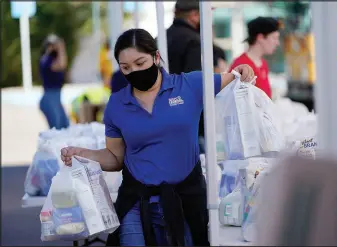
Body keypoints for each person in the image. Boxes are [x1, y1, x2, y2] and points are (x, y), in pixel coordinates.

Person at [60, 28, 254, 246]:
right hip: (137, 200)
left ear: (156, 57)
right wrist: (82, 154)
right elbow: (115, 158)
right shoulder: (117, 104)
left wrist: (243, 70)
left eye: (140, 63)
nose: (134, 71)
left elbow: (236, 77)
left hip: (185, 199)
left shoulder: (190, 85)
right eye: (126, 68)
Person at [166, 0, 228, 153]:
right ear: (194, 15)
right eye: (206, 14)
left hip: (165, 115)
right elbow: (195, 83)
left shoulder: (160, 37)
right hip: (190, 122)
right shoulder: (194, 41)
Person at [229, 17, 281, 99]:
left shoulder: (263, 63)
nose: (277, 43)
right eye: (274, 38)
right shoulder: (241, 65)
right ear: (260, 38)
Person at [39, 34, 70, 130]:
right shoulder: (46, 60)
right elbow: (61, 65)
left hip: (56, 98)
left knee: (65, 126)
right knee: (57, 129)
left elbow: (63, 64)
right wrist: (61, 48)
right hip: (50, 98)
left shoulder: (53, 59)